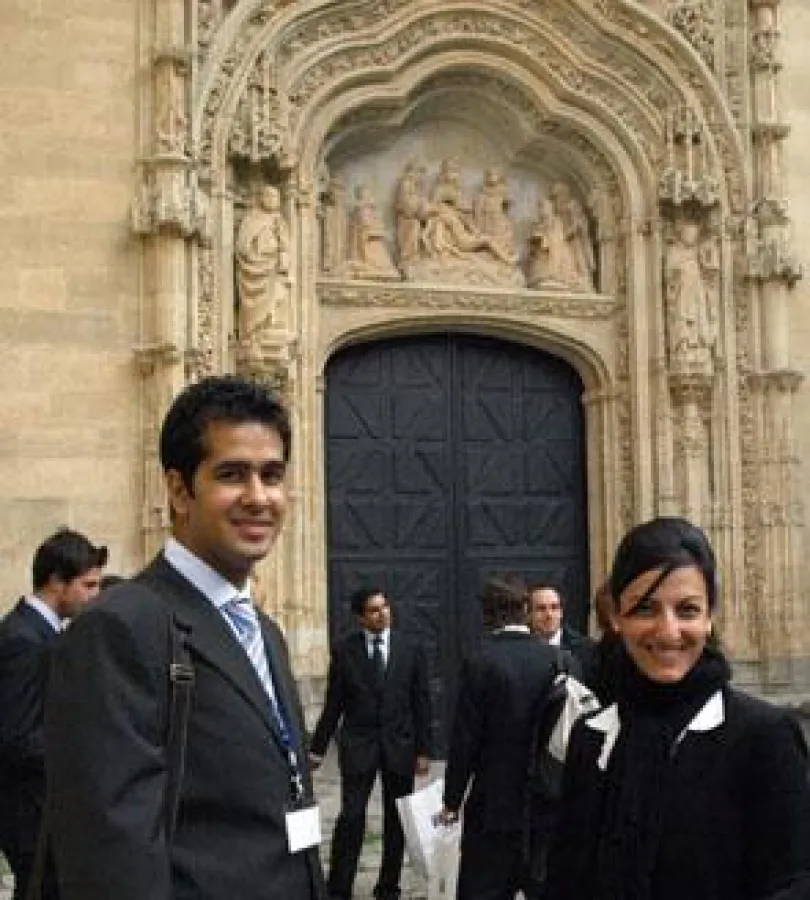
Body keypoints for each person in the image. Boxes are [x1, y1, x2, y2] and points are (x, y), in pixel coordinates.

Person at [44, 375, 324, 900]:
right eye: (231, 475)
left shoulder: (265, 632)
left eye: (272, 475)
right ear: (178, 490)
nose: (259, 497)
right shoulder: (119, 628)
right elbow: (111, 857)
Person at [548, 517, 810, 900]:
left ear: (709, 617)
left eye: (687, 610)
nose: (668, 631)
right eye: (645, 609)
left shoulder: (763, 737)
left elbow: (793, 882)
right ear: (616, 616)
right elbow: (564, 879)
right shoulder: (592, 737)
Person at [0, 527, 107, 900]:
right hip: (30, 813)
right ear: (57, 582)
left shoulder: (42, 633)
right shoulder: (24, 640)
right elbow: (18, 737)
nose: (95, 596)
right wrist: (86, 744)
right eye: (88, 585)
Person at [440, 576, 560, 900]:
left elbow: (465, 739)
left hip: (493, 804)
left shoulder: (480, 662)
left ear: (487, 614)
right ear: (525, 610)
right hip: (546, 804)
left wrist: (452, 800)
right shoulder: (559, 660)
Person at [309, 587, 431, 900]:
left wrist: (423, 750)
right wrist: (318, 748)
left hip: (399, 745)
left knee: (396, 818)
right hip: (359, 745)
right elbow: (334, 702)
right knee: (351, 815)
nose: (382, 614)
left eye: (385, 607)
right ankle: (339, 888)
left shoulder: (411, 648)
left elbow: (421, 702)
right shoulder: (345, 650)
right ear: (361, 617)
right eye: (374, 610)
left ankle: (388, 887)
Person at [235, 184, 290, 339]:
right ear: (261, 198)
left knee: (278, 295)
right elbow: (242, 245)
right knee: (256, 304)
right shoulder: (252, 219)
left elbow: (285, 243)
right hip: (254, 266)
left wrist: (282, 256)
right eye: (270, 196)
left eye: (276, 197)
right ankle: (253, 331)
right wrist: (253, 257)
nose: (274, 200)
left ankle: (270, 322)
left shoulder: (279, 220)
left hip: (273, 266)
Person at [527, 583, 594, 670]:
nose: (549, 615)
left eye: (554, 607)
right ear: (530, 614)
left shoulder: (586, 648)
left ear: (561, 612)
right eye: (541, 608)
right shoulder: (521, 649)